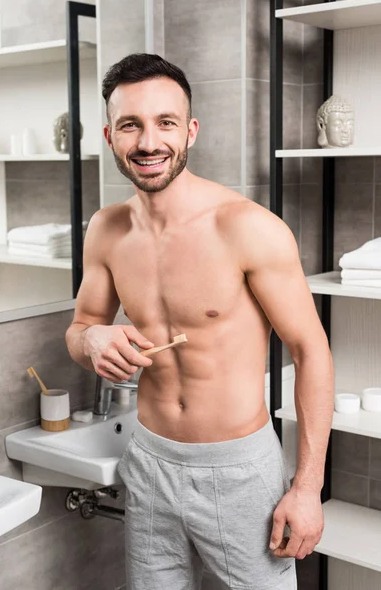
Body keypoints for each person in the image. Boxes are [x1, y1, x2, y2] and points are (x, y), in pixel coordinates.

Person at [65, 52, 334, 590]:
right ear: (109, 135)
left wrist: (307, 487)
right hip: (148, 460)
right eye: (130, 125)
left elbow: (311, 352)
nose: (148, 142)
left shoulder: (248, 228)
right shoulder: (106, 230)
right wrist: (92, 338)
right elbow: (80, 327)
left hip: (239, 470)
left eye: (165, 123)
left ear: (190, 131)